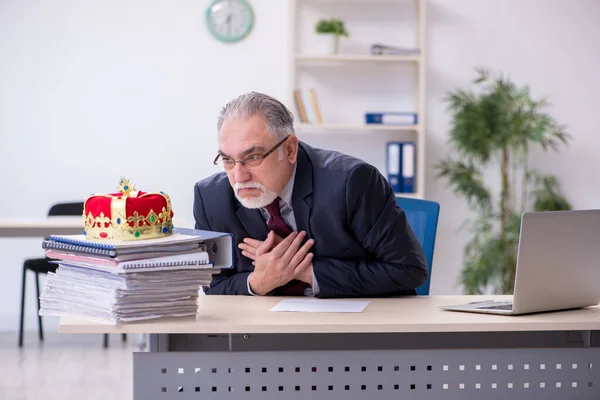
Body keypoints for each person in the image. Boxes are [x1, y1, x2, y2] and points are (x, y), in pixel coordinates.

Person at [193, 91, 428, 298]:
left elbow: (408, 270)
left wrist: (305, 270)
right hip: (263, 334)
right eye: (227, 160)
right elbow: (212, 286)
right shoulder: (210, 198)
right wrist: (259, 282)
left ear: (289, 150)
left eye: (253, 157)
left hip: (356, 329)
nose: (239, 176)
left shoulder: (353, 182)